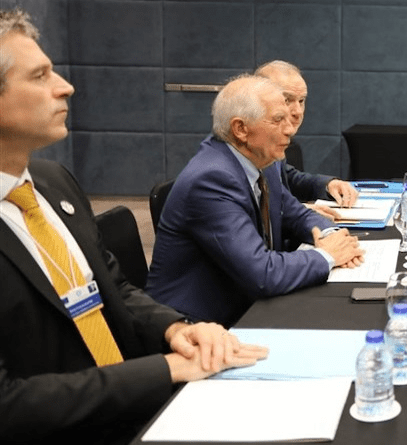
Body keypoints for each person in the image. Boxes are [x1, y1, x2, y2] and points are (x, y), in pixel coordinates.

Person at [0, 9, 267, 444]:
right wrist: (164, 369)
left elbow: (114, 289)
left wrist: (178, 329)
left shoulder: (52, 182)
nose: (65, 86)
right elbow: (7, 405)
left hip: (133, 403)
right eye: (40, 75)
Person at [146, 74, 365, 327]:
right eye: (278, 120)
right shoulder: (211, 180)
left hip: (248, 302)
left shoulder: (263, 161)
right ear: (241, 129)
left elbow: (294, 212)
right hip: (197, 328)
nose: (290, 129)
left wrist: (331, 236)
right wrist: (326, 256)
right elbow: (262, 273)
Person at [255, 60, 359, 221]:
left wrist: (328, 184)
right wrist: (302, 213)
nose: (297, 111)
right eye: (287, 100)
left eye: (301, 101)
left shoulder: (273, 146)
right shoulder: (248, 152)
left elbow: (285, 179)